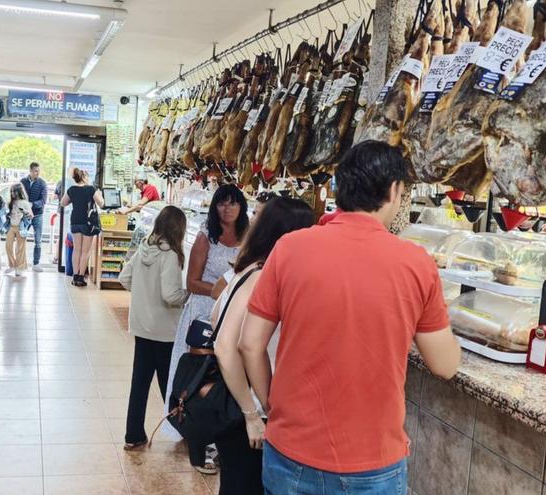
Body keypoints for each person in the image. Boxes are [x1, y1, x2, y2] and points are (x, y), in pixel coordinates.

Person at [239, 141, 461, 494]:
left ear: (340, 187)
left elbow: (249, 344)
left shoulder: (290, 248)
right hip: (373, 463)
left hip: (290, 452)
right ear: (394, 191)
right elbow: (444, 365)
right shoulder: (416, 263)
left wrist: (272, 406)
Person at [209, 197, 316, 495]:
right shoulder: (261, 275)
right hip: (248, 407)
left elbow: (216, 319)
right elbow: (225, 346)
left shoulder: (245, 270)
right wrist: (254, 414)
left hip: (235, 402)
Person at [164, 183, 249, 475]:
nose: (227, 208)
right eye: (222, 203)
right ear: (214, 207)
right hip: (203, 314)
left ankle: (223, 432)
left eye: (233, 203)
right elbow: (192, 282)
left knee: (227, 374)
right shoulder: (206, 237)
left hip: (234, 314)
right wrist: (223, 290)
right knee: (200, 374)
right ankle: (196, 431)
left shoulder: (248, 237)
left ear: (241, 207)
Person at [118, 206, 190, 451]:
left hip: (141, 327)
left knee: (139, 384)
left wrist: (143, 295)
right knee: (169, 384)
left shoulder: (144, 248)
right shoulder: (170, 255)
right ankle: (183, 430)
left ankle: (133, 434)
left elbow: (124, 279)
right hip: (164, 330)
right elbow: (170, 295)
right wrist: (189, 295)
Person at [61, 167, 105, 287]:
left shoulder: (71, 189)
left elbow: (63, 203)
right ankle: (80, 278)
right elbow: (102, 204)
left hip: (75, 221)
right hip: (87, 222)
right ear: (84, 178)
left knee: (76, 250)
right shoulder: (91, 189)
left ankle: (75, 276)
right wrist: (99, 194)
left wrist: (74, 200)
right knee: (85, 251)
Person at [20, 162, 48, 272]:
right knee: (21, 238)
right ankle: (21, 263)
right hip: (25, 215)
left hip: (37, 216)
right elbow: (19, 197)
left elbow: (43, 201)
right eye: (36, 171)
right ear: (30, 171)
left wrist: (32, 204)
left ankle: (36, 264)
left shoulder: (42, 183)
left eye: (39, 171)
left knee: (38, 240)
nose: (38, 173)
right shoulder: (23, 182)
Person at [5, 184, 33, 276]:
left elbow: (31, 216)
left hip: (21, 227)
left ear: (19, 192)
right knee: (8, 246)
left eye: (14, 191)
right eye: (11, 191)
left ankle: (19, 267)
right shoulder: (11, 203)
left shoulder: (24, 203)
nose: (12, 193)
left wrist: (25, 212)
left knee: (20, 248)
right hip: (11, 226)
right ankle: (12, 265)